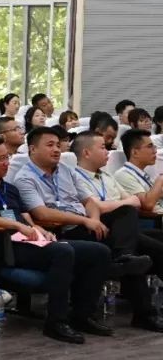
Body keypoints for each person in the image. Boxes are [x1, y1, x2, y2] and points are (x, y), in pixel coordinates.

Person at [0, 135, 111, 343]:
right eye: (1, 159)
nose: (6, 163)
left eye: (7, 157)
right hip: (4, 246)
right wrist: (16, 226)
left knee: (98, 252)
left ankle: (82, 315)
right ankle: (56, 322)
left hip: (29, 240)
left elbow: (27, 218)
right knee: (62, 252)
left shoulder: (9, 188)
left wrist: (39, 230)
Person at [13, 127, 160, 332]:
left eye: (58, 145)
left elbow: (89, 201)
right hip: (63, 231)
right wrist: (85, 221)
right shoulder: (25, 178)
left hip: (87, 225)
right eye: (50, 145)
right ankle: (140, 307)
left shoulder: (65, 170)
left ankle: (124, 258)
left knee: (126, 214)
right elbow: (42, 213)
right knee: (138, 247)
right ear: (32, 149)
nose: (57, 149)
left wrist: (94, 220)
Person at [116, 129, 163, 215]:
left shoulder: (141, 173)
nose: (155, 151)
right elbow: (147, 204)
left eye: (154, 147)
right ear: (135, 152)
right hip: (155, 220)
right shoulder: (123, 175)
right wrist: (160, 179)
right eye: (150, 147)